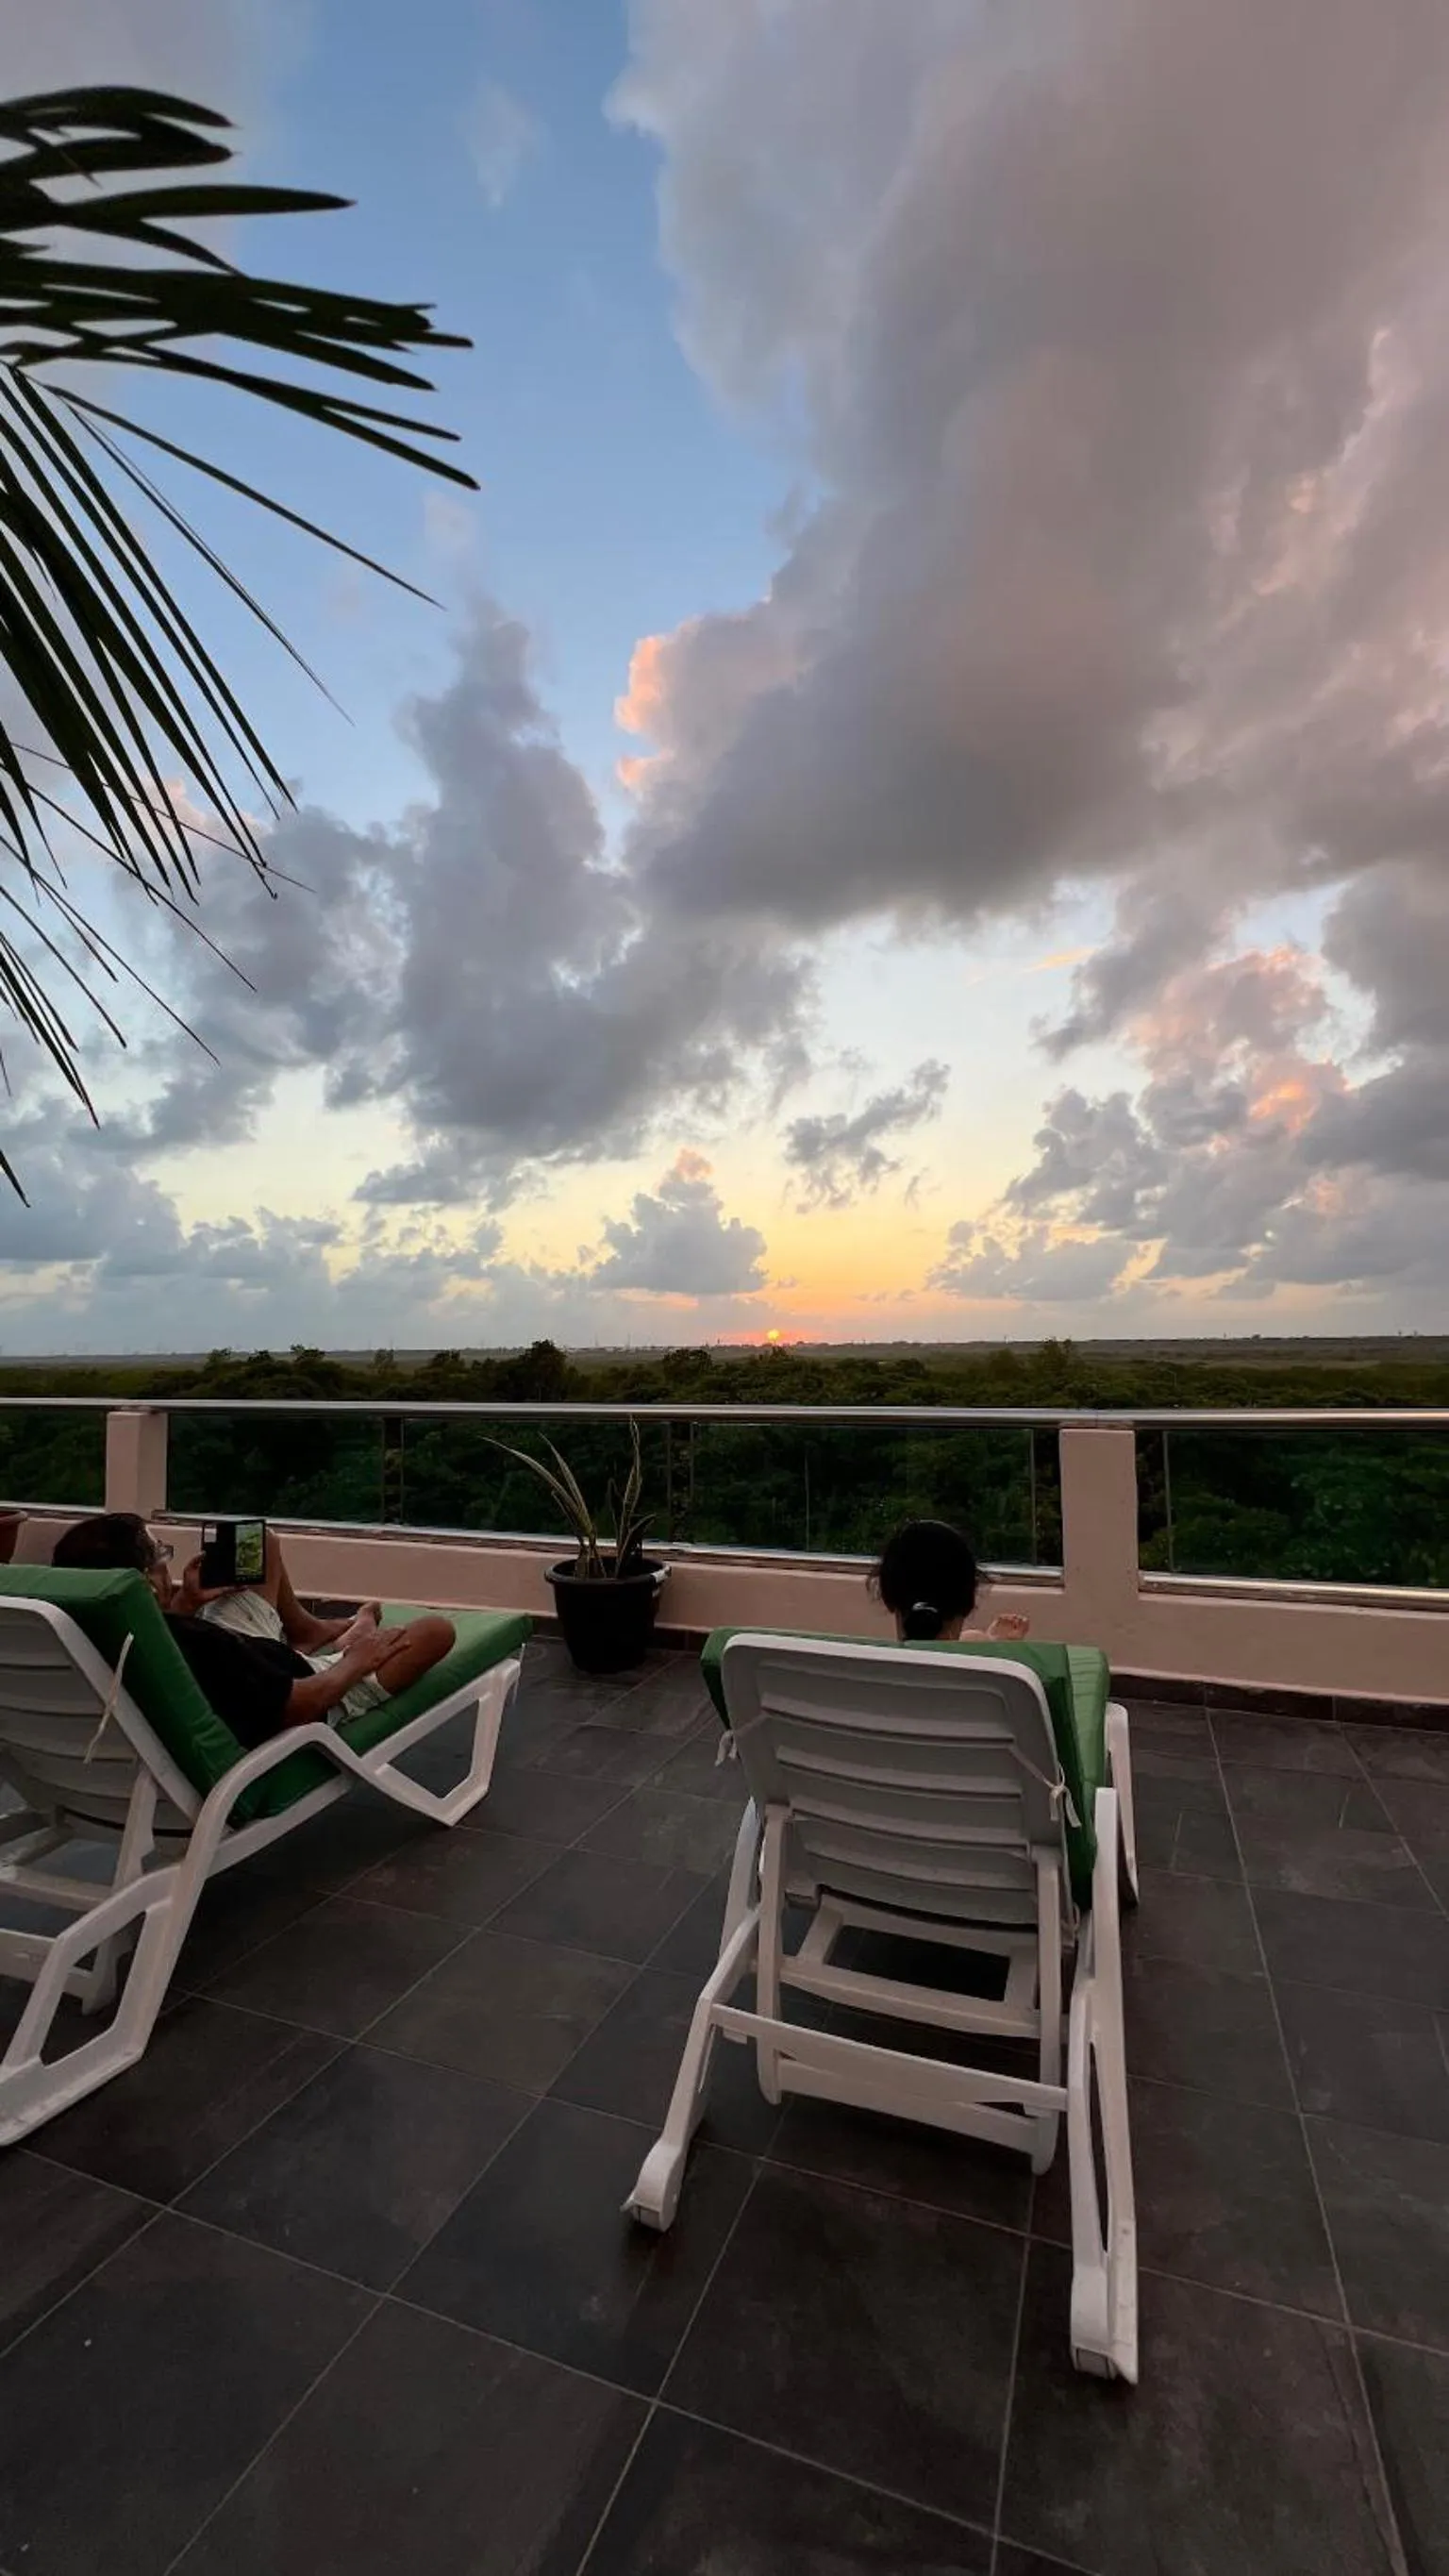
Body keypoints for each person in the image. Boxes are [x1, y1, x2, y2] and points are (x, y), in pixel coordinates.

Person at [52, 1512, 455, 1748]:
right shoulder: (199, 1645)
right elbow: (299, 1707)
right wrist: (356, 1661)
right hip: (304, 1687)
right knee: (436, 1630)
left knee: (257, 1541)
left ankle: (311, 1632)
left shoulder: (83, 1630)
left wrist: (186, 1603)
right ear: (146, 1583)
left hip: (243, 1661)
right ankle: (345, 1642)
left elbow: (184, 1652)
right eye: (160, 1555)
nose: (166, 1563)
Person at [869, 1517, 1031, 1644]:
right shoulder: (997, 1674)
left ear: (887, 1596)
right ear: (968, 1601)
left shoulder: (863, 1665)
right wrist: (993, 1648)